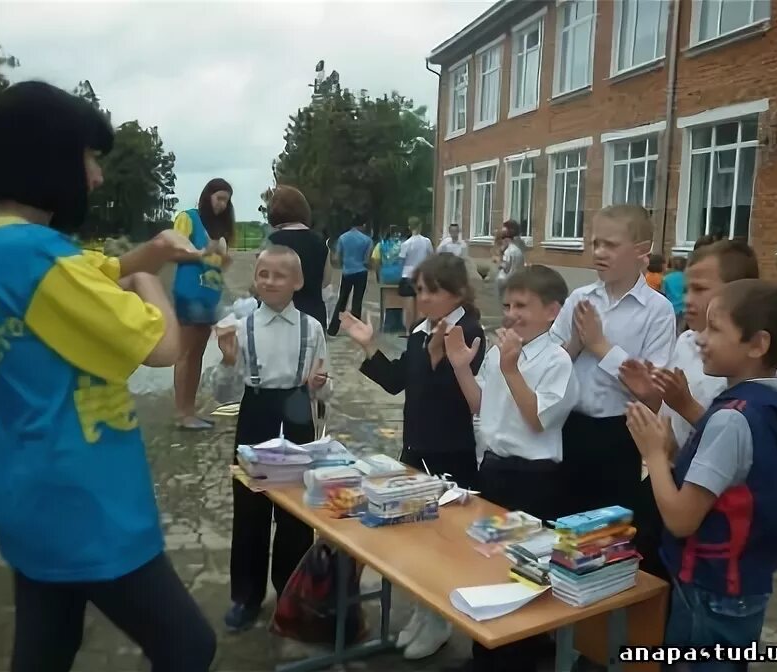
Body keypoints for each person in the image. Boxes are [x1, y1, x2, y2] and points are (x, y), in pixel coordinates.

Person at [0, 81, 216, 672]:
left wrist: (151, 252)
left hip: (21, 488)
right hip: (85, 501)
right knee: (188, 646)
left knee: (48, 647)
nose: (96, 177)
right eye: (87, 158)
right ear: (47, 159)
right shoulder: (40, 258)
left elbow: (99, 272)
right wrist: (150, 285)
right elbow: (163, 348)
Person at [626, 280, 777, 660]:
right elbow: (737, 463)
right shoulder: (768, 401)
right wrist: (685, 408)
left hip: (711, 587)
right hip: (744, 580)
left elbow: (682, 519)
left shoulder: (731, 419)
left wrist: (653, 454)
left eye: (715, 329)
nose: (700, 339)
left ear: (757, 344)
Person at [340, 253, 484, 661]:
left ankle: (440, 619)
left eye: (432, 290)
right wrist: (370, 345)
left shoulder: (469, 332)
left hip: (451, 454)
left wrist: (441, 355)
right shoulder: (421, 331)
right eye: (419, 290)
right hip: (415, 449)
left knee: (442, 543)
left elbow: (465, 393)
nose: (422, 298)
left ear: (456, 293)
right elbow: (396, 382)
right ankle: (424, 611)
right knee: (417, 540)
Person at [619, 241, 777, 578]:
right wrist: (651, 396)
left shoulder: (757, 372)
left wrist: (687, 406)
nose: (688, 297)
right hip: (668, 480)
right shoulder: (687, 342)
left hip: (709, 507)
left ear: (738, 297)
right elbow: (670, 422)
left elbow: (739, 438)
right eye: (686, 284)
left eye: (700, 288)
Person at [445, 265, 577, 672]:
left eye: (522, 305)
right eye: (507, 305)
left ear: (553, 311)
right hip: (496, 470)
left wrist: (510, 369)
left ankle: (517, 655)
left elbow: (539, 418)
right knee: (489, 562)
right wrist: (461, 366)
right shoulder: (503, 352)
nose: (512, 313)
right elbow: (481, 406)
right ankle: (488, 651)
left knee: (524, 569)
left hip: (533, 479)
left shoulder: (556, 360)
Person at [550, 204, 675, 571]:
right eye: (595, 243)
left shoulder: (657, 310)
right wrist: (576, 342)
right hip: (569, 426)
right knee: (562, 529)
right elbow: (552, 364)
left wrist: (601, 346)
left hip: (617, 436)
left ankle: (598, 621)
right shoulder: (580, 299)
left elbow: (652, 393)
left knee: (604, 539)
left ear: (641, 250)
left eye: (610, 244)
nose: (599, 253)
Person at [215, 245, 331, 632]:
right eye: (262, 274)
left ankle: (290, 593)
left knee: (296, 514)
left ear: (297, 282)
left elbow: (325, 389)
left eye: (279, 275)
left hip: (297, 415)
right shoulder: (241, 326)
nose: (269, 281)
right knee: (249, 512)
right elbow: (223, 394)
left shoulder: (311, 328)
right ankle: (246, 597)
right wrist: (230, 361)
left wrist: (318, 385)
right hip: (256, 413)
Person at [172, 178, 235, 430]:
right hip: (189, 294)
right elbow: (172, 251)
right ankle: (182, 413)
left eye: (226, 201)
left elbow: (220, 265)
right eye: (219, 198)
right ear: (207, 196)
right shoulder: (188, 218)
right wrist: (202, 253)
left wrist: (222, 258)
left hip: (210, 297)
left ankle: (191, 410)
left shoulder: (220, 230)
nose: (222, 204)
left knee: (197, 355)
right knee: (185, 354)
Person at [266, 185, 331, 329]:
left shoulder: (272, 241)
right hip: (314, 315)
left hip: (279, 316)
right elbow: (326, 281)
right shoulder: (320, 241)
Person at [327, 213, 373, 335]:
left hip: (347, 272)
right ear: (363, 225)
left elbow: (337, 258)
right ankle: (356, 330)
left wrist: (343, 264)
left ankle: (333, 329)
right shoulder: (367, 240)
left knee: (342, 300)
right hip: (361, 272)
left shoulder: (342, 238)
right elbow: (367, 260)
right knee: (357, 301)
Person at [398, 216, 434, 333]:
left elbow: (401, 261)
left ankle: (408, 331)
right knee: (421, 307)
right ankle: (419, 331)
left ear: (409, 227)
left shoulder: (406, 244)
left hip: (407, 275)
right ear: (420, 226)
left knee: (408, 308)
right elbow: (431, 258)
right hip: (422, 275)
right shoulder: (427, 242)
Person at [495, 225, 525, 299]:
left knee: (503, 302)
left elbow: (505, 267)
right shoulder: (518, 251)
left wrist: (499, 262)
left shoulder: (508, 251)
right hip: (517, 280)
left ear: (506, 239)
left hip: (505, 280)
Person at [662, 255, 687, 331]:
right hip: (685, 308)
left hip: (671, 308)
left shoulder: (666, 278)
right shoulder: (688, 277)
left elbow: (663, 294)